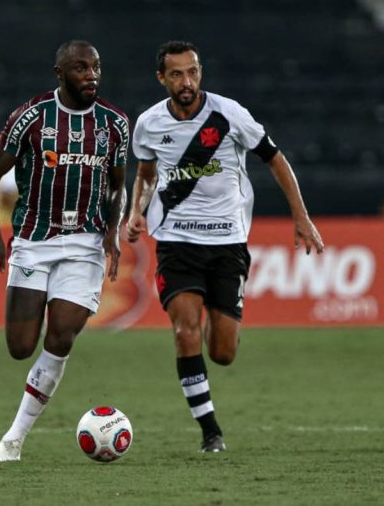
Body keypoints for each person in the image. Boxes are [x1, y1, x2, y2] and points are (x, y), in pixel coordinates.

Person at [126, 41, 324, 452]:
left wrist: (301, 217)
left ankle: (220, 329)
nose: (187, 81)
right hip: (176, 241)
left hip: (227, 243)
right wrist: (136, 210)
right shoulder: (148, 123)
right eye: (177, 74)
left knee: (223, 352)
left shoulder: (228, 114)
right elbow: (145, 173)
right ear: (161, 79)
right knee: (185, 331)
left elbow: (275, 159)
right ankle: (210, 431)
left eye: (193, 72)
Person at [0, 40, 129, 462]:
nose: (91, 75)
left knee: (62, 333)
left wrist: (113, 230)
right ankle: (22, 415)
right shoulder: (31, 116)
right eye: (81, 68)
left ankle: (14, 438)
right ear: (59, 73)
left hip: (85, 243)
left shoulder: (114, 123)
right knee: (21, 346)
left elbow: (119, 185)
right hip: (33, 241)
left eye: (96, 67)